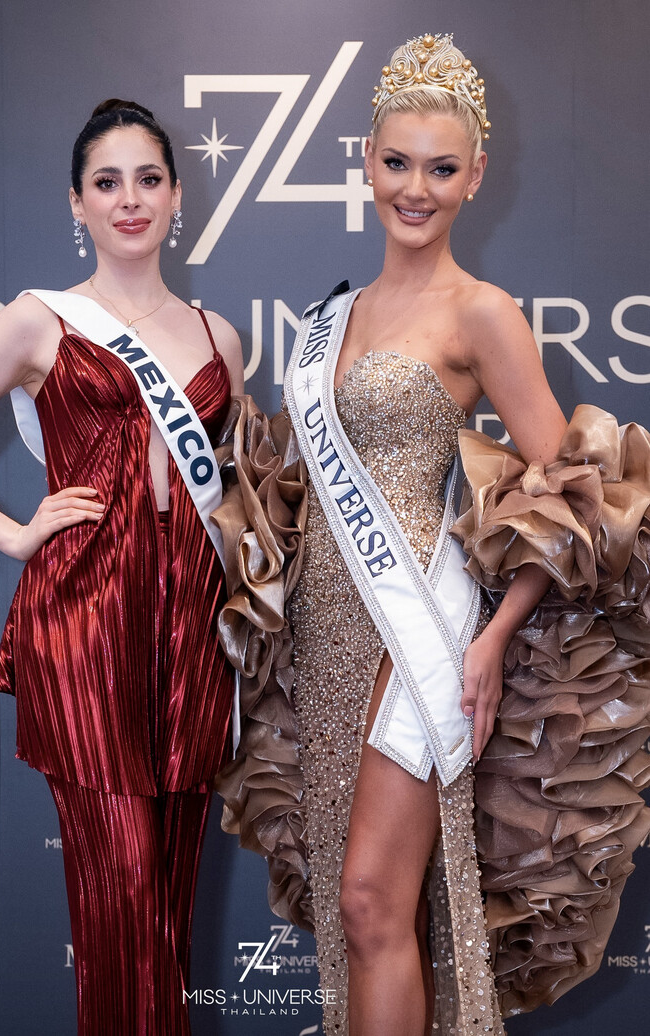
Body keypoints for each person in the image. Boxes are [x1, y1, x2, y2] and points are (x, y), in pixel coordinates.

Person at [215, 32, 650, 1036]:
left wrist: (495, 637)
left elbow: (569, 498)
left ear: (476, 177)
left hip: (417, 629)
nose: (416, 187)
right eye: (398, 162)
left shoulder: (483, 312)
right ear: (366, 160)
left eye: (441, 168)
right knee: (356, 911)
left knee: (373, 898)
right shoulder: (341, 312)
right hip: (323, 640)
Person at [0, 98, 244, 1035]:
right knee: (119, 899)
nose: (130, 200)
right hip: (87, 628)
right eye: (107, 183)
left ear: (177, 197)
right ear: (76, 205)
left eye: (149, 179)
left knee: (167, 912)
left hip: (197, 640)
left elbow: (238, 496)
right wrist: (14, 533)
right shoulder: (37, 320)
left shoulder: (220, 338)